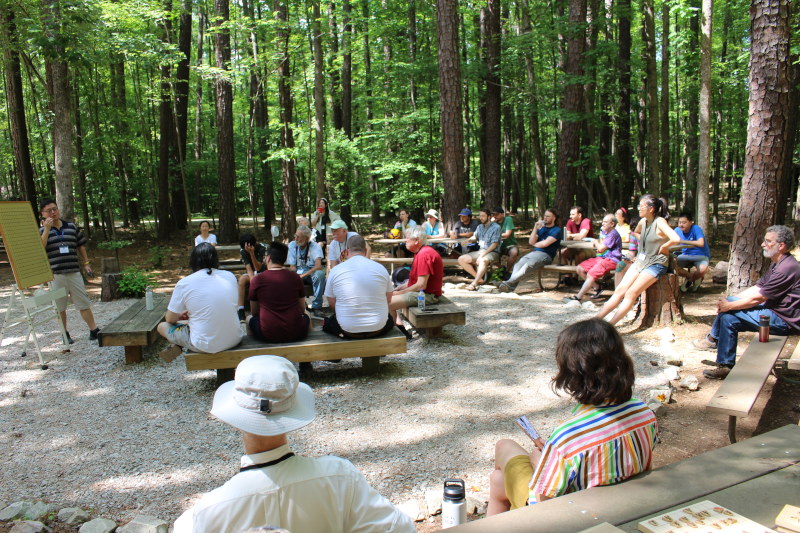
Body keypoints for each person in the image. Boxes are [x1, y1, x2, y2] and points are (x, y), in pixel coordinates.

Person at [173, 355, 415, 533]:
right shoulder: (340, 478)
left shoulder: (208, 512)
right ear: (294, 413)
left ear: (236, 419)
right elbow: (400, 529)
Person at [487, 319, 658, 515]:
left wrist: (538, 462)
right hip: (623, 504)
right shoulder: (644, 413)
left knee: (504, 446)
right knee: (498, 481)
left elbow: (543, 502)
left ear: (571, 373)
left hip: (574, 516)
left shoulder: (568, 436)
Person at [693, 225, 800, 380]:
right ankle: (725, 365)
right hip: (774, 312)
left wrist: (729, 305)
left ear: (781, 245)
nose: (763, 244)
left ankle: (712, 339)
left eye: (768, 241)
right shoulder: (778, 262)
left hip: (784, 320)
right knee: (728, 319)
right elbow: (759, 287)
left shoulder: (787, 267)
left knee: (729, 310)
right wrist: (732, 300)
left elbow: (759, 298)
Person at [595, 195, 680, 325]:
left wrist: (663, 246)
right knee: (619, 291)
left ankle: (609, 326)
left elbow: (676, 238)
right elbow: (636, 232)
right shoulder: (643, 222)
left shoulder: (660, 221)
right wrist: (645, 242)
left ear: (651, 209)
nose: (638, 208)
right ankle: (595, 320)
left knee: (631, 293)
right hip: (641, 261)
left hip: (656, 264)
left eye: (641, 206)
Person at [158, 243, 242, 359]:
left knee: (162, 326)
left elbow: (170, 319)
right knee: (193, 322)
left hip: (205, 344)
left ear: (193, 261)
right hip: (234, 339)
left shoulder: (184, 283)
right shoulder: (230, 276)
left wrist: (184, 314)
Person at [38, 198, 100, 343]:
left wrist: (86, 263)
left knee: (83, 302)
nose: (53, 212)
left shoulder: (71, 226)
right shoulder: (41, 231)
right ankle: (64, 333)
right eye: (49, 211)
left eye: (55, 209)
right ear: (43, 214)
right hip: (55, 274)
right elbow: (40, 248)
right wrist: (47, 229)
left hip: (73, 271)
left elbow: (81, 245)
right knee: (60, 306)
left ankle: (94, 330)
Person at [322, 235, 395, 339]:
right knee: (390, 320)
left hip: (347, 329)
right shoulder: (380, 268)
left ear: (346, 251)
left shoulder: (335, 270)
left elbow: (332, 303)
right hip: (378, 328)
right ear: (365, 251)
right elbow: (388, 299)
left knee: (328, 323)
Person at [249, 242, 310, 343]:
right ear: (284, 259)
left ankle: (255, 353)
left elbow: (254, 312)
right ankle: (307, 352)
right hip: (296, 332)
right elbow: (302, 309)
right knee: (307, 314)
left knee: (248, 319)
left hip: (268, 333)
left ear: (268, 258)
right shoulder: (296, 278)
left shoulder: (257, 280)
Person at [389, 227, 444, 337]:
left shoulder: (424, 254)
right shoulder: (421, 252)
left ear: (417, 240)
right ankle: (400, 329)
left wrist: (399, 293)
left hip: (427, 296)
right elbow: (414, 281)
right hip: (423, 293)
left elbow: (421, 285)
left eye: (408, 238)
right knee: (388, 298)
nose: (405, 240)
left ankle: (400, 333)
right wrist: (399, 288)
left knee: (387, 303)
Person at [497, 209, 561, 293]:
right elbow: (531, 241)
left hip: (546, 255)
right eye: (545, 216)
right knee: (518, 265)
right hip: (534, 253)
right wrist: (535, 228)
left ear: (554, 218)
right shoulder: (541, 228)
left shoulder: (556, 230)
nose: (545, 218)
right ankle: (509, 287)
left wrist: (534, 244)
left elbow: (544, 244)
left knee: (527, 266)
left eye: (548, 216)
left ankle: (506, 283)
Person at [566, 214, 622, 301]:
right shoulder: (605, 232)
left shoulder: (613, 234)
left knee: (591, 274)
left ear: (612, 224)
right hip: (601, 258)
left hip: (611, 260)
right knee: (580, 269)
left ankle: (578, 297)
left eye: (605, 222)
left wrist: (595, 241)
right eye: (603, 221)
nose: (603, 223)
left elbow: (600, 248)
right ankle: (597, 287)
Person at [458, 208, 501, 291]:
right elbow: (475, 237)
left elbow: (494, 245)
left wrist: (482, 255)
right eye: (480, 216)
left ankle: (474, 283)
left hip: (492, 252)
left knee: (483, 260)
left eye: (483, 216)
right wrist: (468, 240)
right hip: (481, 251)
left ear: (489, 217)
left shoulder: (496, 227)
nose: (481, 218)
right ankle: (479, 279)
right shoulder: (479, 227)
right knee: (461, 259)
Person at [287, 225, 326, 317]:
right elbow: (292, 266)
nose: (295, 238)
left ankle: (317, 307)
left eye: (298, 237)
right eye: (295, 236)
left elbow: (318, 266)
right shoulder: (292, 245)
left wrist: (303, 275)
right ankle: (302, 306)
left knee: (320, 274)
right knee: (289, 278)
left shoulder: (315, 246)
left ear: (307, 238)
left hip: (311, 273)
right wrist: (295, 276)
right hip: (298, 273)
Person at [673, 211, 711, 292]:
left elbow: (701, 243)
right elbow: (672, 241)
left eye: (684, 222)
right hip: (685, 255)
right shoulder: (677, 230)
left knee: (703, 270)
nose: (681, 225)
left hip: (701, 255)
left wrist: (683, 241)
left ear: (690, 222)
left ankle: (690, 280)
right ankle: (692, 278)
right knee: (672, 264)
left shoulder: (696, 229)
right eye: (679, 222)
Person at [237, 234, 268, 322]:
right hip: (252, 274)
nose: (246, 249)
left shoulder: (262, 248)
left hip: (263, 273)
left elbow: (258, 267)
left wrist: (252, 253)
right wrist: (253, 280)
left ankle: (262, 308)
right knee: (242, 280)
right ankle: (241, 310)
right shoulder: (243, 250)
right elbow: (249, 269)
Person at [560, 206, 593, 277]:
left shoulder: (586, 221)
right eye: (570, 214)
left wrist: (571, 236)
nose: (570, 216)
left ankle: (576, 277)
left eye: (572, 214)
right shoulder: (570, 222)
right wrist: (575, 236)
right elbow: (566, 236)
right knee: (561, 253)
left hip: (588, 248)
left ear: (579, 215)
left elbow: (581, 236)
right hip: (574, 247)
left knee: (579, 255)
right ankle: (567, 277)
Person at [492, 207, 519, 274]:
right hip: (497, 245)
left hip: (509, 244)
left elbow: (507, 234)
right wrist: (491, 224)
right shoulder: (493, 223)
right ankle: (501, 268)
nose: (495, 216)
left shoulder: (508, 219)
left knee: (514, 252)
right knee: (489, 254)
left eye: (496, 214)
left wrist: (496, 235)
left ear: (502, 214)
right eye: (494, 215)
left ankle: (507, 271)